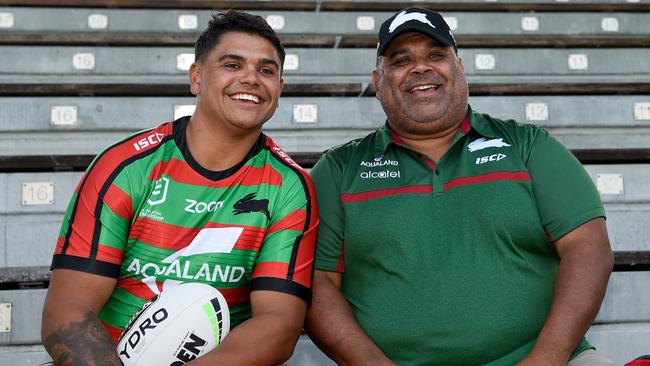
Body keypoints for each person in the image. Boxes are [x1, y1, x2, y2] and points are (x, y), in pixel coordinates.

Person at [305, 7, 614, 366]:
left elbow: (588, 248)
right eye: (401, 60)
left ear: (460, 69)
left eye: (436, 55)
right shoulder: (339, 169)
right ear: (378, 81)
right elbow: (318, 283)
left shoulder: (528, 146)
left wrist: (545, 359)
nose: (420, 67)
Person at [41, 10, 318, 366]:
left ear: (279, 89)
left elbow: (279, 325)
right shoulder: (126, 167)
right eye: (232, 65)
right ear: (197, 77)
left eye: (266, 70)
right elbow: (68, 310)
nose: (251, 78)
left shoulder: (291, 187)